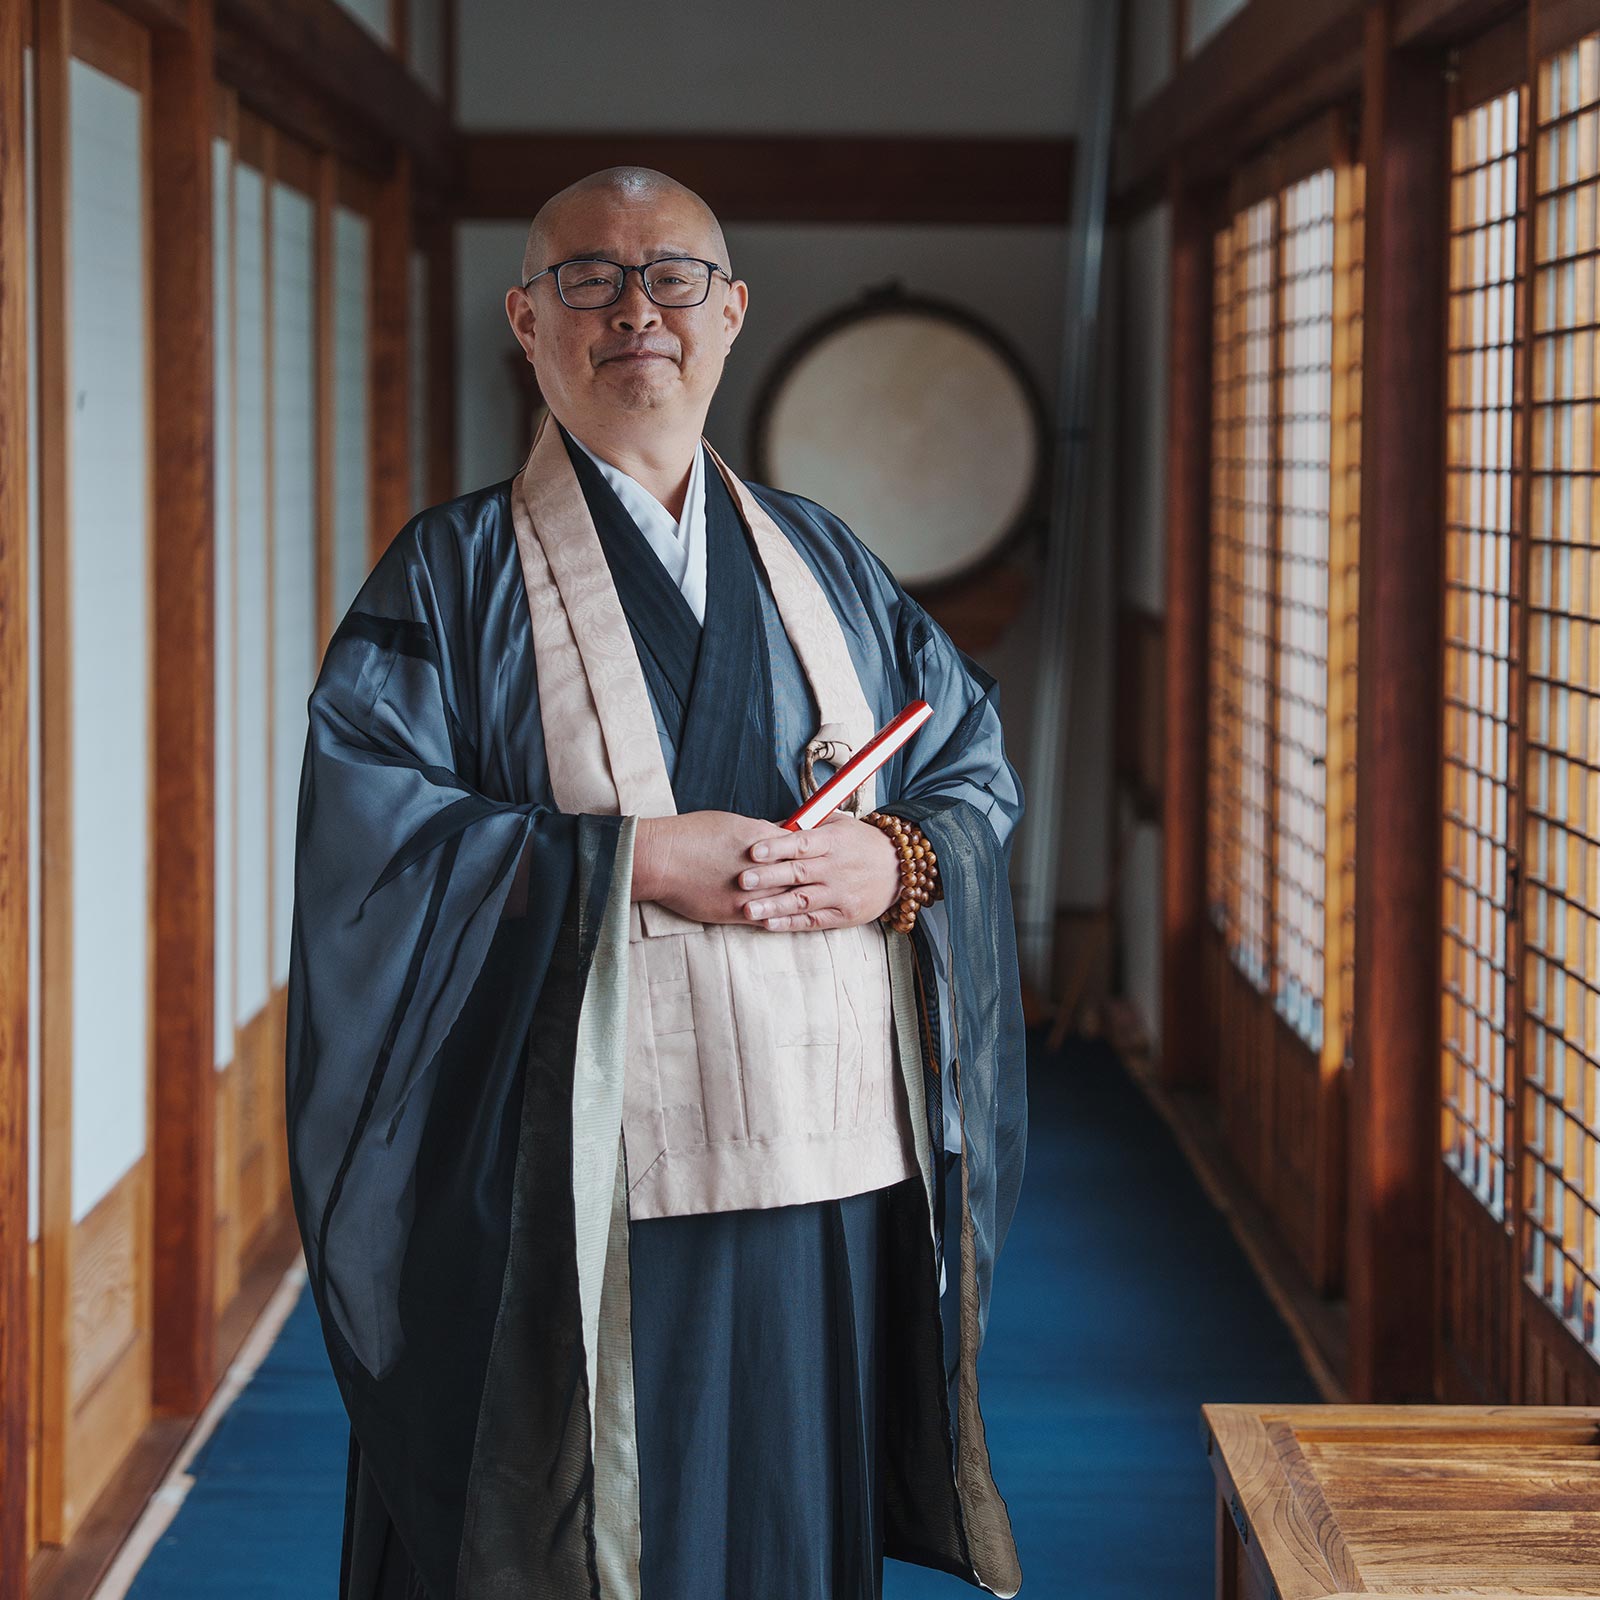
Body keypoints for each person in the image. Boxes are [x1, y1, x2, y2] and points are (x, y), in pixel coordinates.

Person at [285, 165, 1028, 1600]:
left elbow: (970, 763)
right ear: (528, 318)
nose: (639, 309)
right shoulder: (448, 579)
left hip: (823, 1164)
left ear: (733, 311)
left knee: (783, 1535)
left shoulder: (827, 562)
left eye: (674, 275)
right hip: (572, 1181)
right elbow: (369, 845)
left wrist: (894, 856)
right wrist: (623, 862)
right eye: (590, 278)